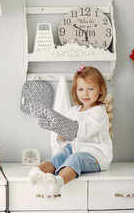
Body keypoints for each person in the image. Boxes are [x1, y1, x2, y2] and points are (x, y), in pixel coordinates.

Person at [27, 65, 113, 195]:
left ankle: (59, 181)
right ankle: (36, 171)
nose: (85, 93)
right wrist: (60, 133)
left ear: (100, 90)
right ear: (75, 90)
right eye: (81, 89)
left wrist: (60, 124)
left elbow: (83, 131)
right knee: (61, 155)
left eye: (90, 89)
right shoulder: (73, 111)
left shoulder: (98, 112)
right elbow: (65, 137)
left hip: (96, 156)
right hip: (75, 148)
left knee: (76, 158)